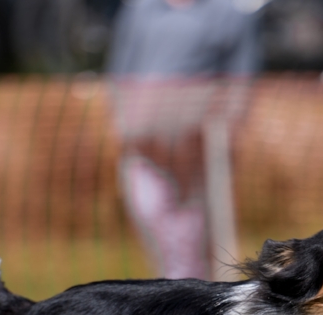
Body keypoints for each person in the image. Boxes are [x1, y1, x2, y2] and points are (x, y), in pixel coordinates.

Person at [107, 0, 259, 280]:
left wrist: (230, 127)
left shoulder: (229, 15)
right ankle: (173, 281)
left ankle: (189, 290)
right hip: (142, 142)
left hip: (194, 147)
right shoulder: (141, 9)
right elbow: (121, 68)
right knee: (149, 212)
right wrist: (121, 121)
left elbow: (241, 78)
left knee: (191, 228)